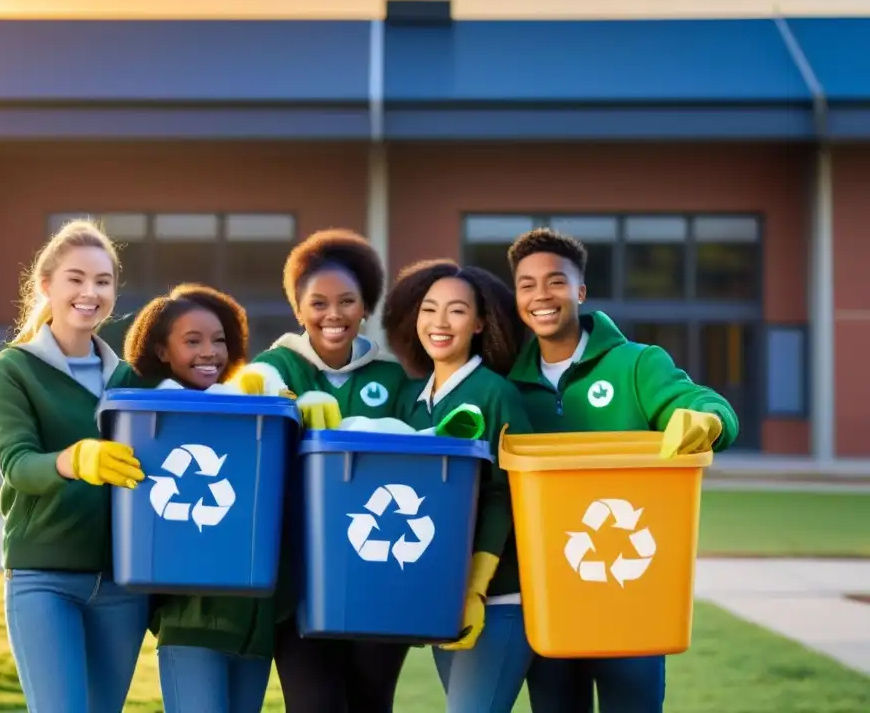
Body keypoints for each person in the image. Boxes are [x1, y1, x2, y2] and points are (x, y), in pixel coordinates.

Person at [506, 227, 740, 713]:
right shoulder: (508, 380)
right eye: (526, 285)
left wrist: (707, 420)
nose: (540, 295)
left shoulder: (637, 365)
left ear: (581, 291)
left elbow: (702, 401)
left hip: (635, 595)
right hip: (553, 599)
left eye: (555, 281)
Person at [238, 228, 412, 713]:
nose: (332, 315)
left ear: (365, 307)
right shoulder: (275, 368)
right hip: (296, 578)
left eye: (347, 301)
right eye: (318, 303)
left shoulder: (392, 376)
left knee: (372, 702)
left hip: (376, 568)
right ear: (298, 308)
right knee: (313, 704)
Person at [0, 218, 151, 713]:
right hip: (44, 578)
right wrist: (75, 460)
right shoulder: (12, 370)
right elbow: (19, 466)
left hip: (122, 585)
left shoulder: (129, 380)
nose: (89, 292)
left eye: (103, 281)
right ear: (46, 286)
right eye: (76, 278)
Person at [382, 259, 535, 713]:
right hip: (440, 593)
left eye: (456, 311)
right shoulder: (412, 401)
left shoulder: (496, 393)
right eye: (429, 310)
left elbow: (509, 493)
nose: (440, 323)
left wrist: (477, 587)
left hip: (498, 595)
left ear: (481, 323)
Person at [122, 283, 276, 713]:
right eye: (192, 341)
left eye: (219, 340)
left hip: (254, 628)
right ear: (162, 350)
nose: (210, 352)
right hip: (190, 625)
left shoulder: (249, 411)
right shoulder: (156, 415)